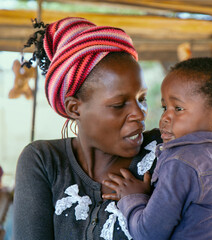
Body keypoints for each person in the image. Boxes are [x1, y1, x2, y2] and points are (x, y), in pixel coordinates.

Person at [13, 17, 162, 240]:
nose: (140, 114)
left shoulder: (165, 152)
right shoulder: (44, 161)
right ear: (75, 109)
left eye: (142, 99)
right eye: (119, 105)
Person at [102, 57, 212, 239]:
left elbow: (148, 234)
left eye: (178, 109)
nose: (165, 117)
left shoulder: (181, 163)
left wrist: (132, 197)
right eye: (165, 107)